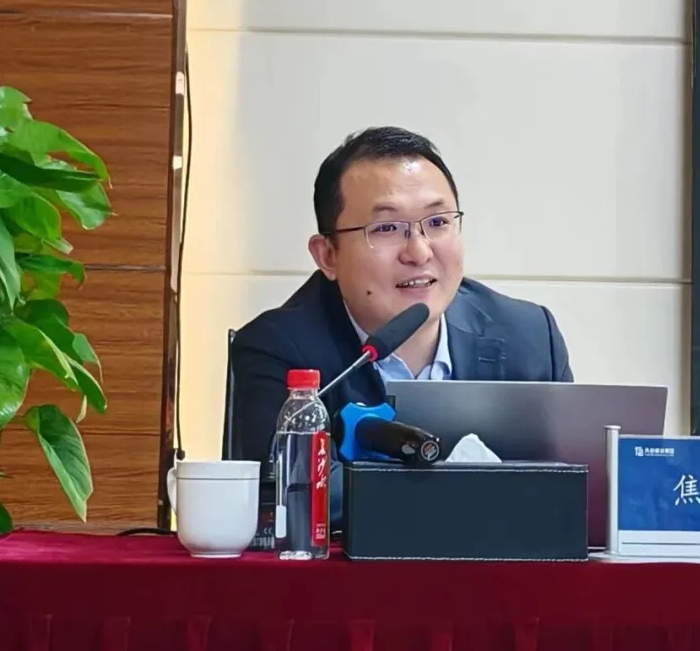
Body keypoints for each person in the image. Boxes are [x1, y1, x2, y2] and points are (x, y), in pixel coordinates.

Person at [229, 126, 573, 522]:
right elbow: (298, 496)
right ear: (328, 256)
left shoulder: (530, 336)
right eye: (387, 228)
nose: (419, 251)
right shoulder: (277, 349)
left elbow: (572, 488)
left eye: (438, 222)